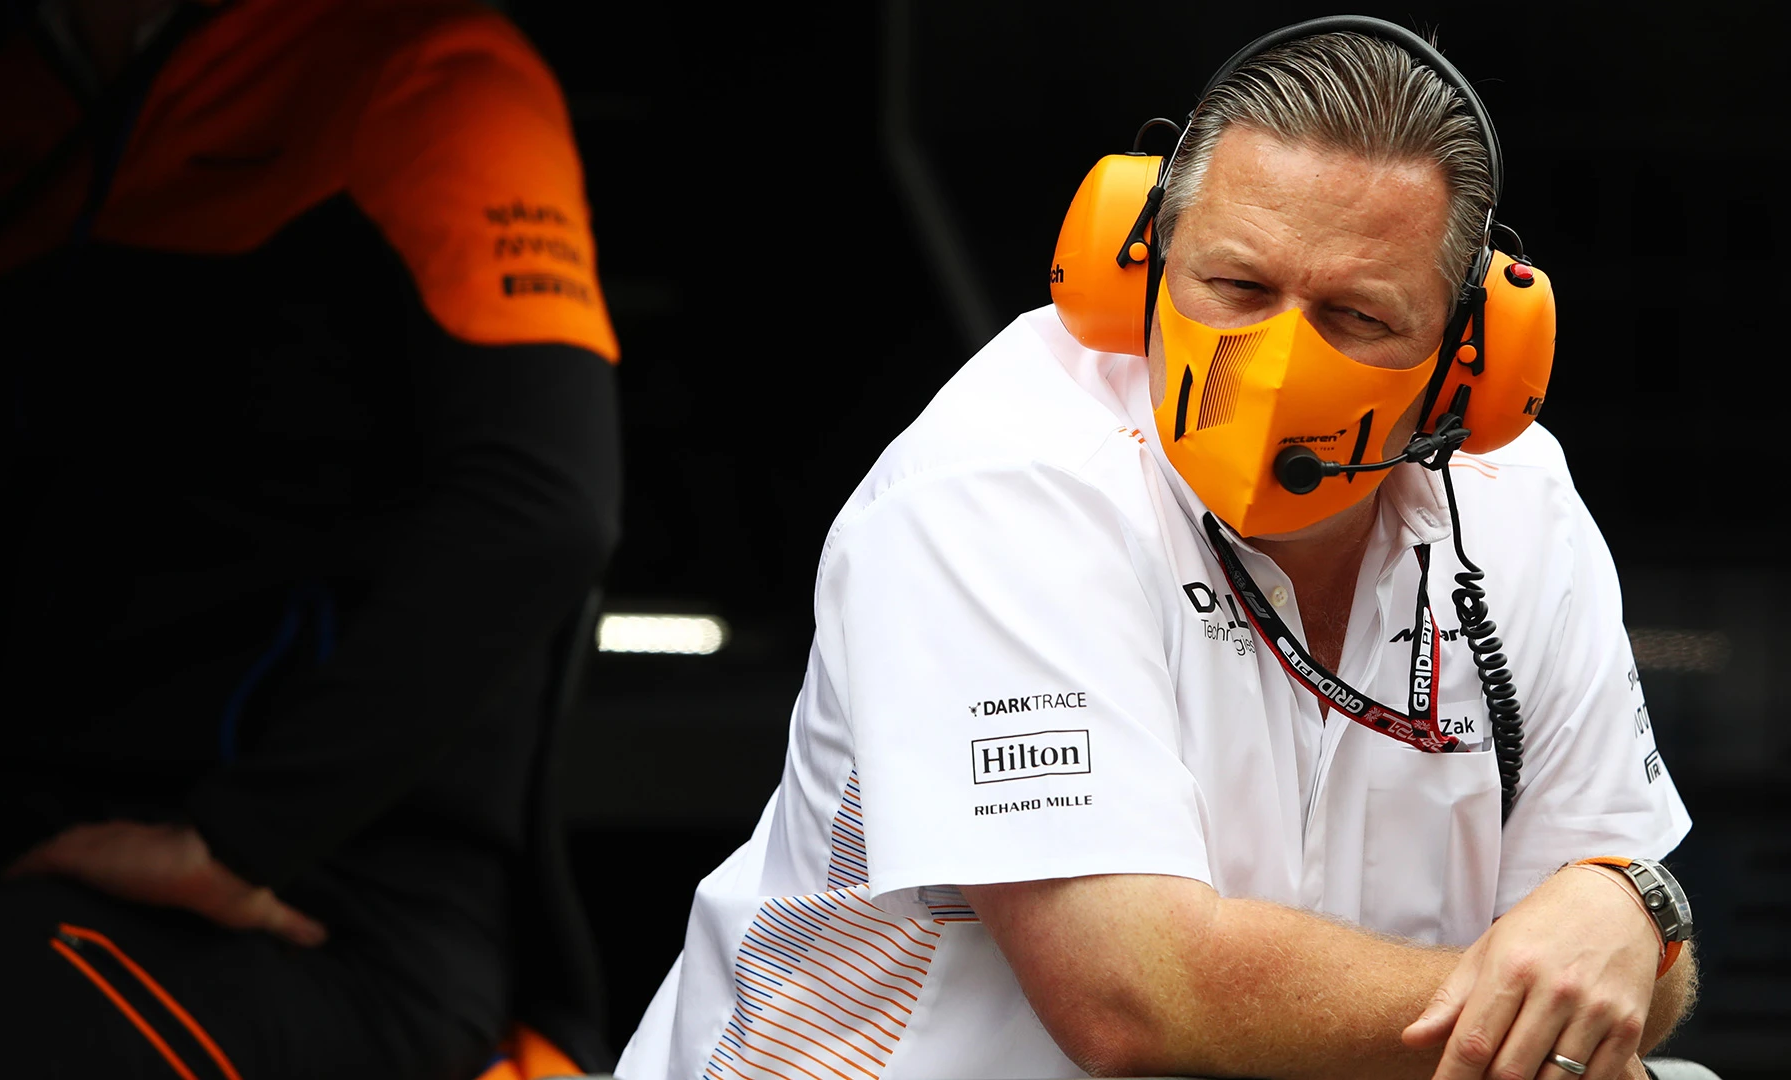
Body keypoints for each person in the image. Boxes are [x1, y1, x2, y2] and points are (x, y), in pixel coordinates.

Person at [617, 17, 1699, 1080]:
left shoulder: (1519, 501)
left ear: (1473, 357)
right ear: (1133, 265)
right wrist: (1558, 1007)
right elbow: (1134, 994)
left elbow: (1643, 963)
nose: (1274, 364)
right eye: (1237, 288)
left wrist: (1629, 908)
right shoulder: (1001, 478)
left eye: (1357, 317)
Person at [0, 0, 620, 1076]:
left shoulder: (427, 66)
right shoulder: (18, 97)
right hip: (31, 841)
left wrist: (239, 839)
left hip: (315, 909)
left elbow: (545, 507)